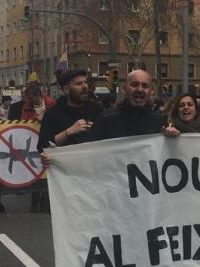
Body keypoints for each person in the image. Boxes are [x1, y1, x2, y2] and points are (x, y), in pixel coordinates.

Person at [37, 69, 104, 212]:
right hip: (65, 183)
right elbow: (43, 146)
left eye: (85, 82)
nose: (84, 86)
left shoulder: (96, 109)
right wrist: (69, 132)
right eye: (78, 84)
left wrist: (97, 128)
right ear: (66, 89)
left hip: (94, 180)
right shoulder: (53, 114)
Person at [88, 69, 166, 141]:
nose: (139, 89)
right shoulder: (106, 119)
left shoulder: (160, 122)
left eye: (145, 86)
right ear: (124, 88)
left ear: (151, 91)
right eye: (134, 84)